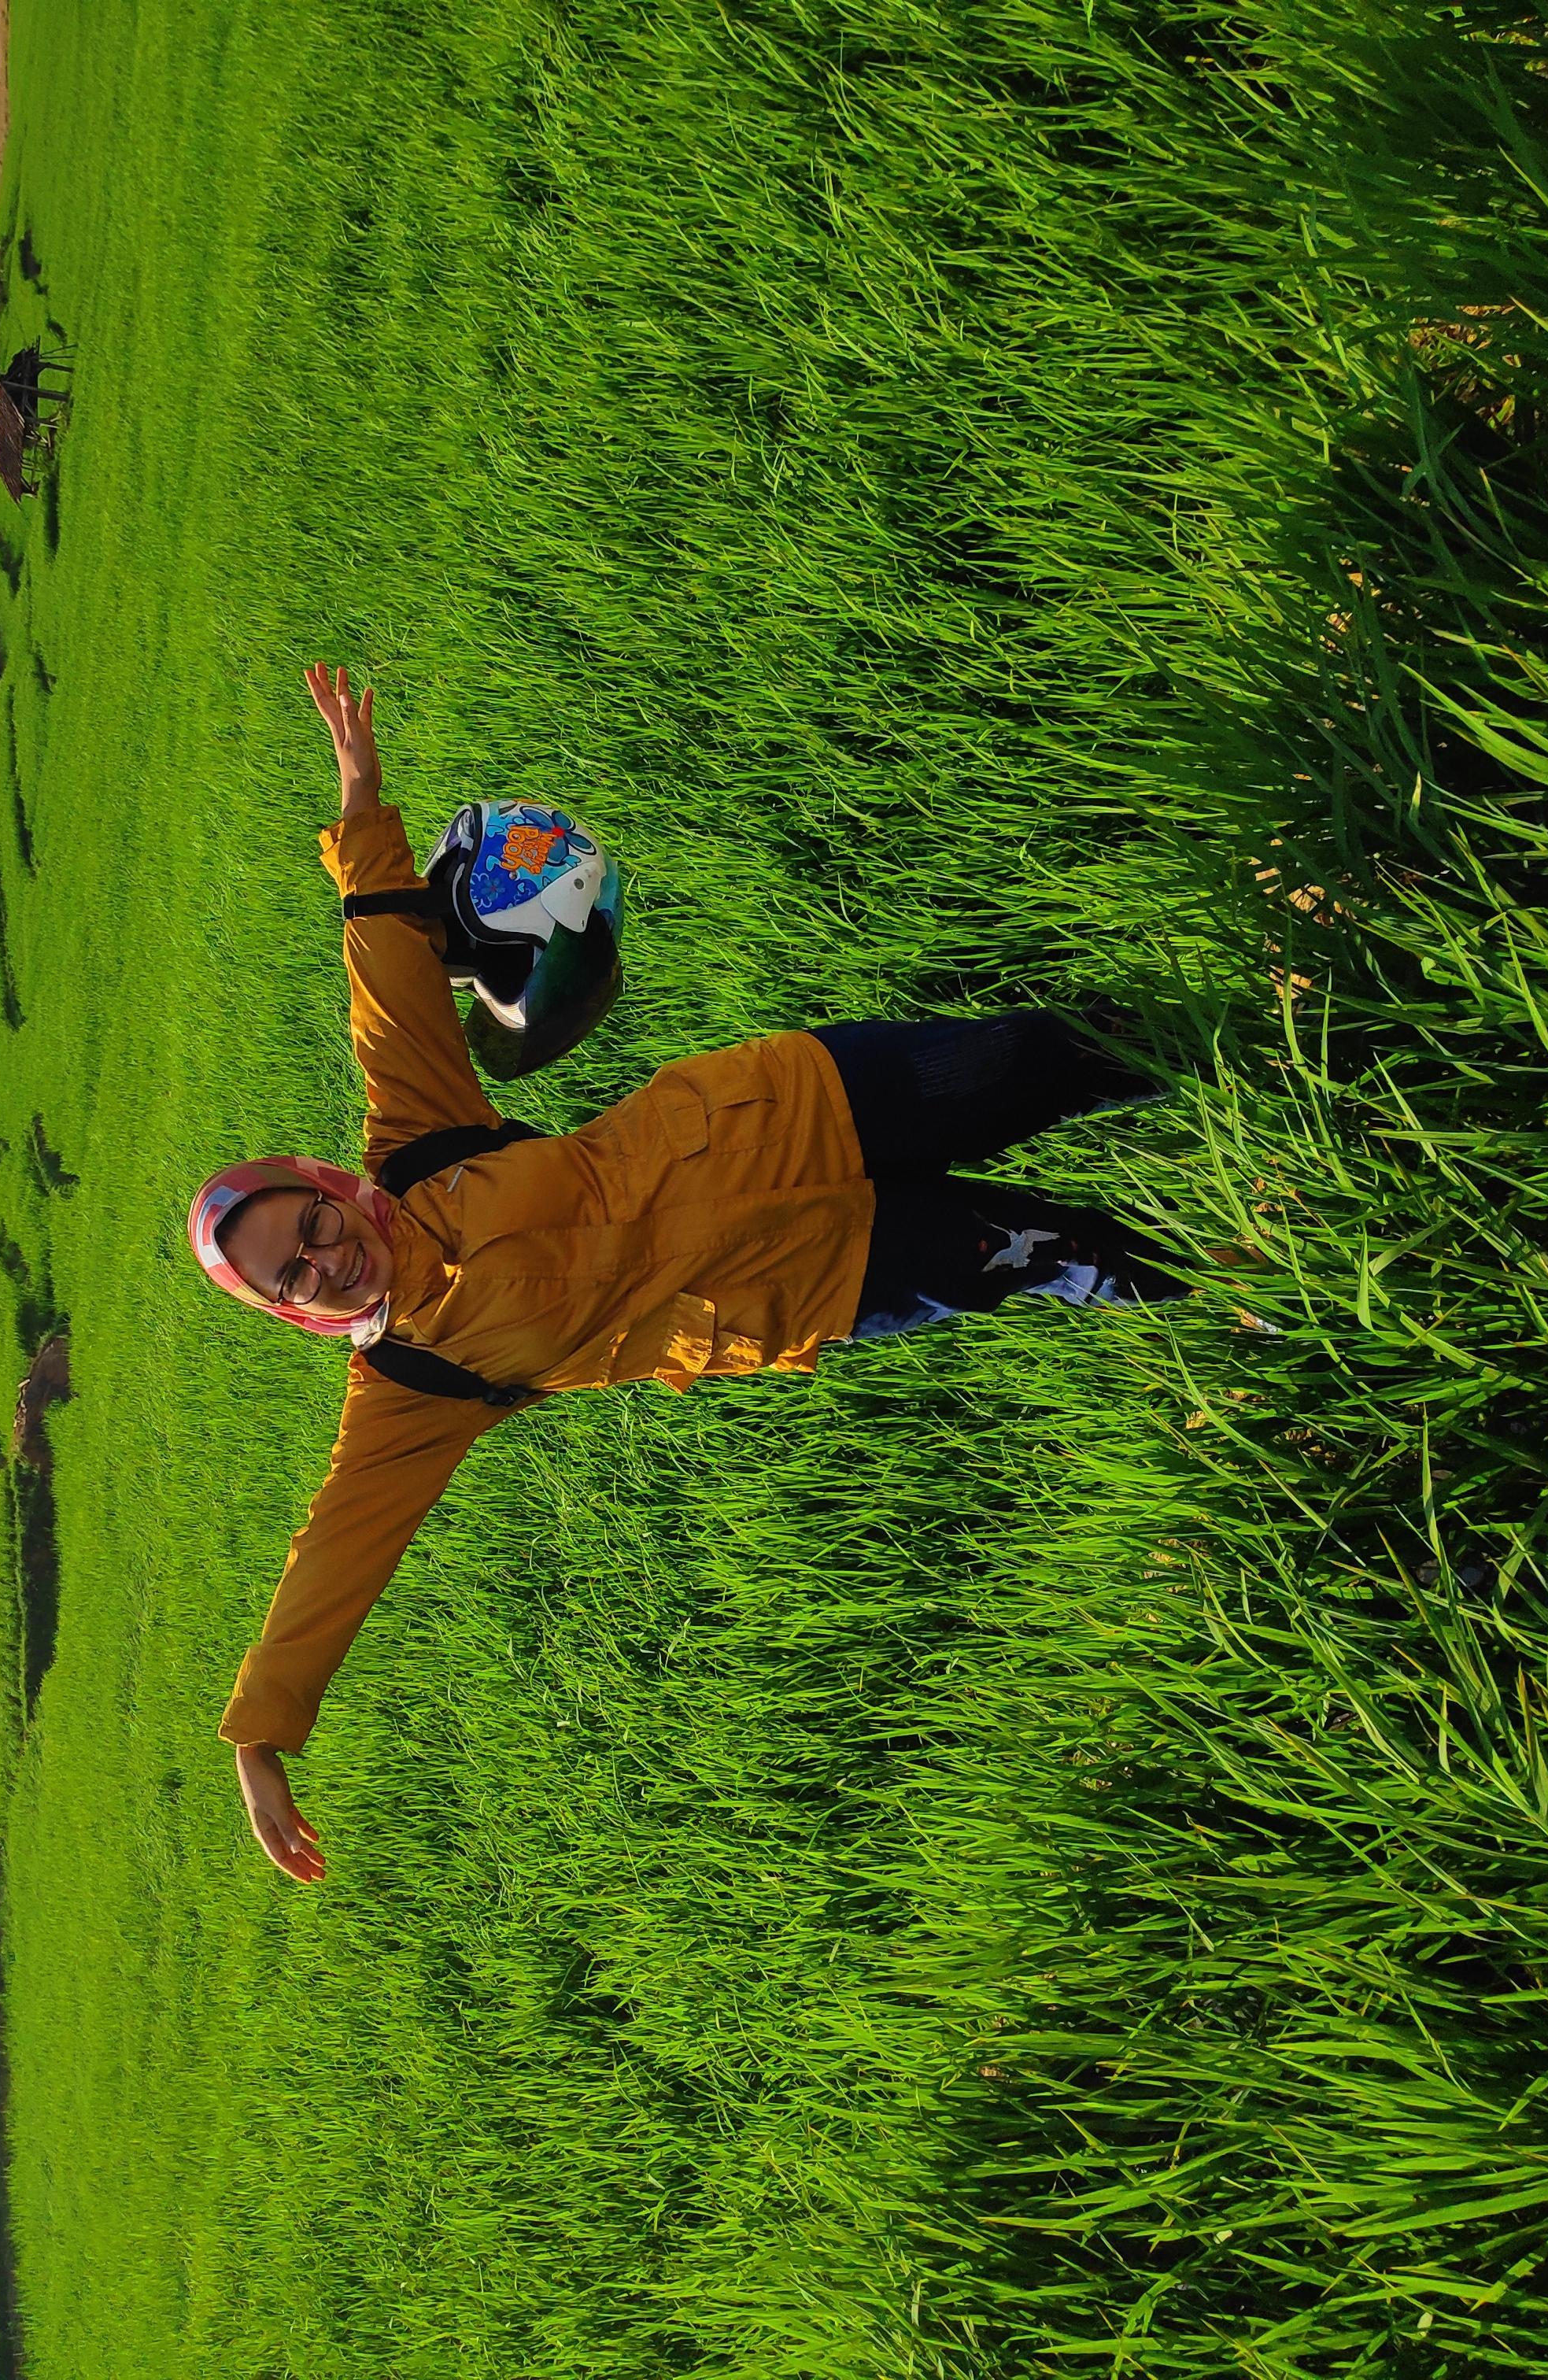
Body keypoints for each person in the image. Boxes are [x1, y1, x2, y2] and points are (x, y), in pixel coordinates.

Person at [198, 664, 1190, 1882]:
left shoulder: (416, 1148)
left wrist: (361, 807)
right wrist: (263, 1734)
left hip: (792, 1105)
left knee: (1045, 1057)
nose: (325, 1255)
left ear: (326, 1188)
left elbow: (388, 986)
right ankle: (1263, 1276)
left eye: (306, 1222)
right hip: (822, 1279)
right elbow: (336, 1555)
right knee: (1069, 1255)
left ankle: (1270, 1034)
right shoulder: (413, 1385)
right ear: (296, 1312)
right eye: (294, 1276)